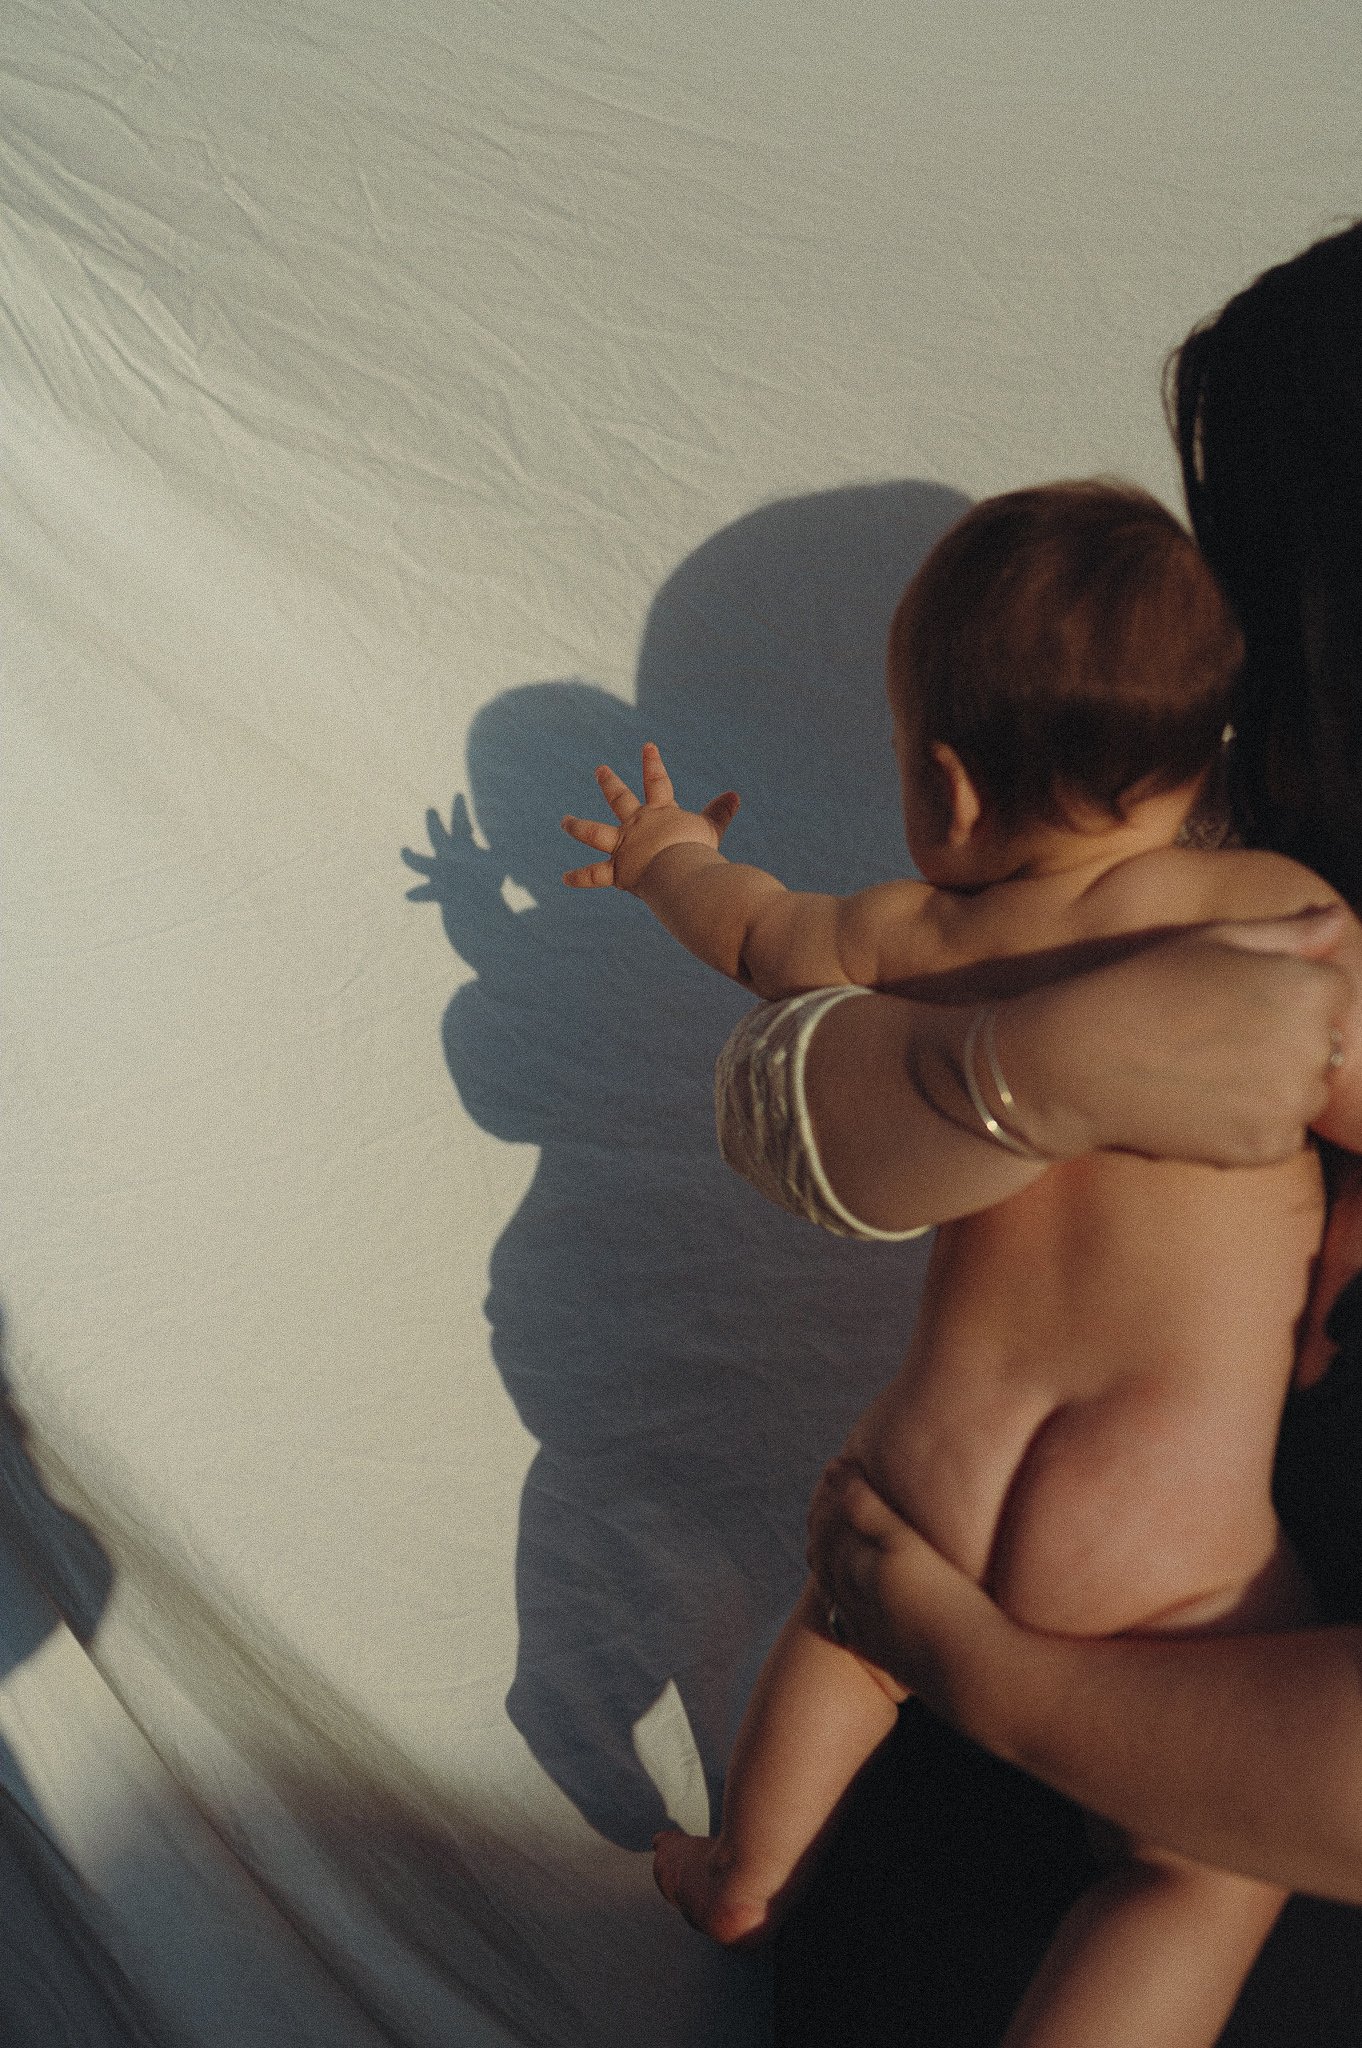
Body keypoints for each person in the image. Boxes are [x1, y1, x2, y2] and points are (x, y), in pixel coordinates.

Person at [560, 477, 1361, 2046]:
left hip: (934, 1462)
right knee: (1194, 1869)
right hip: (1151, 1531)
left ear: (945, 782)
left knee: (846, 1627)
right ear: (1207, 746)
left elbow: (756, 936)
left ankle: (744, 1873)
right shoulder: (1285, 924)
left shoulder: (921, 934)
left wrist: (663, 855)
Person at [768, 219, 1362, 2042]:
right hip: (936, 1889)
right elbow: (775, 1099)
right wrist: (1034, 1073)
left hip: (1069, 1764)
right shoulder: (1232, 882)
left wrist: (981, 1671)